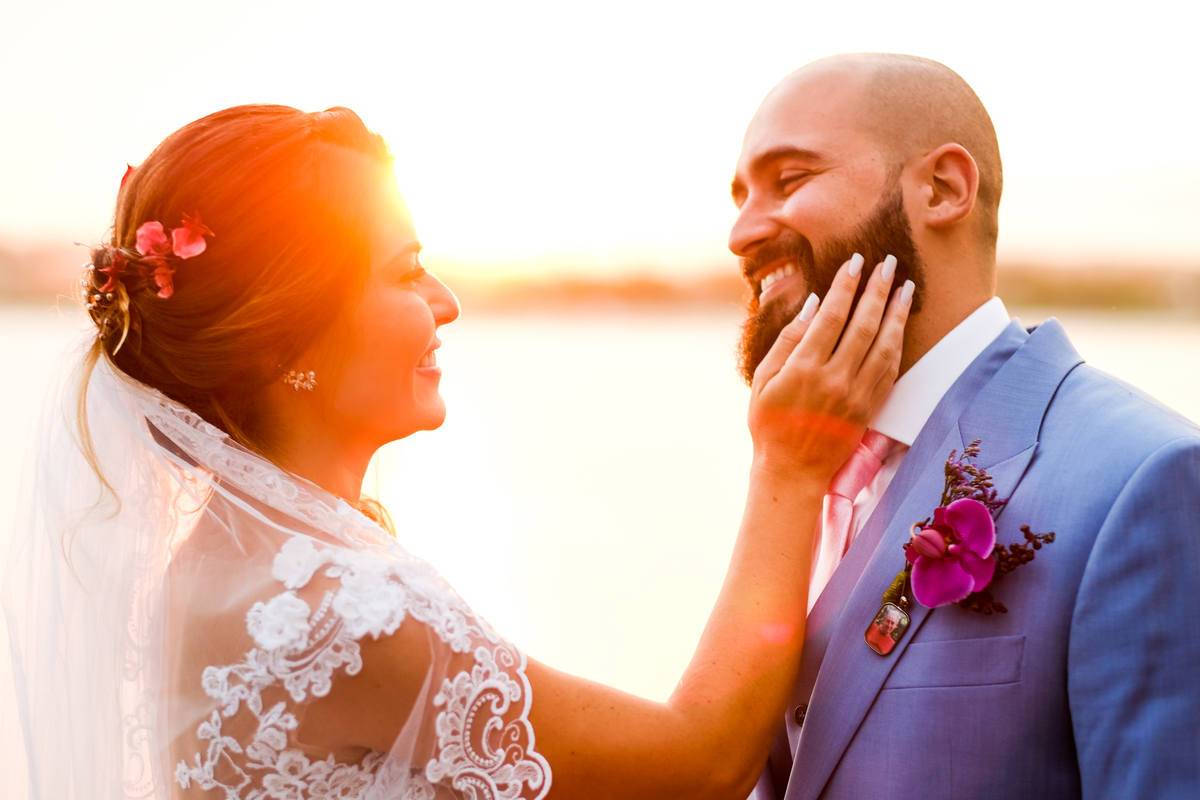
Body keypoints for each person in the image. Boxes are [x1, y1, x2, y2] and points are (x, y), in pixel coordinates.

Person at [0, 105, 912, 800]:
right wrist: (788, 464)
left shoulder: (215, 566)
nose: (444, 302)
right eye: (402, 272)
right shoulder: (338, 611)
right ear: (287, 341)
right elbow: (698, 763)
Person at [730, 53, 1200, 800]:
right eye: (740, 196)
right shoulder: (800, 471)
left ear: (942, 189)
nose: (742, 232)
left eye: (790, 181)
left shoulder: (1146, 480)